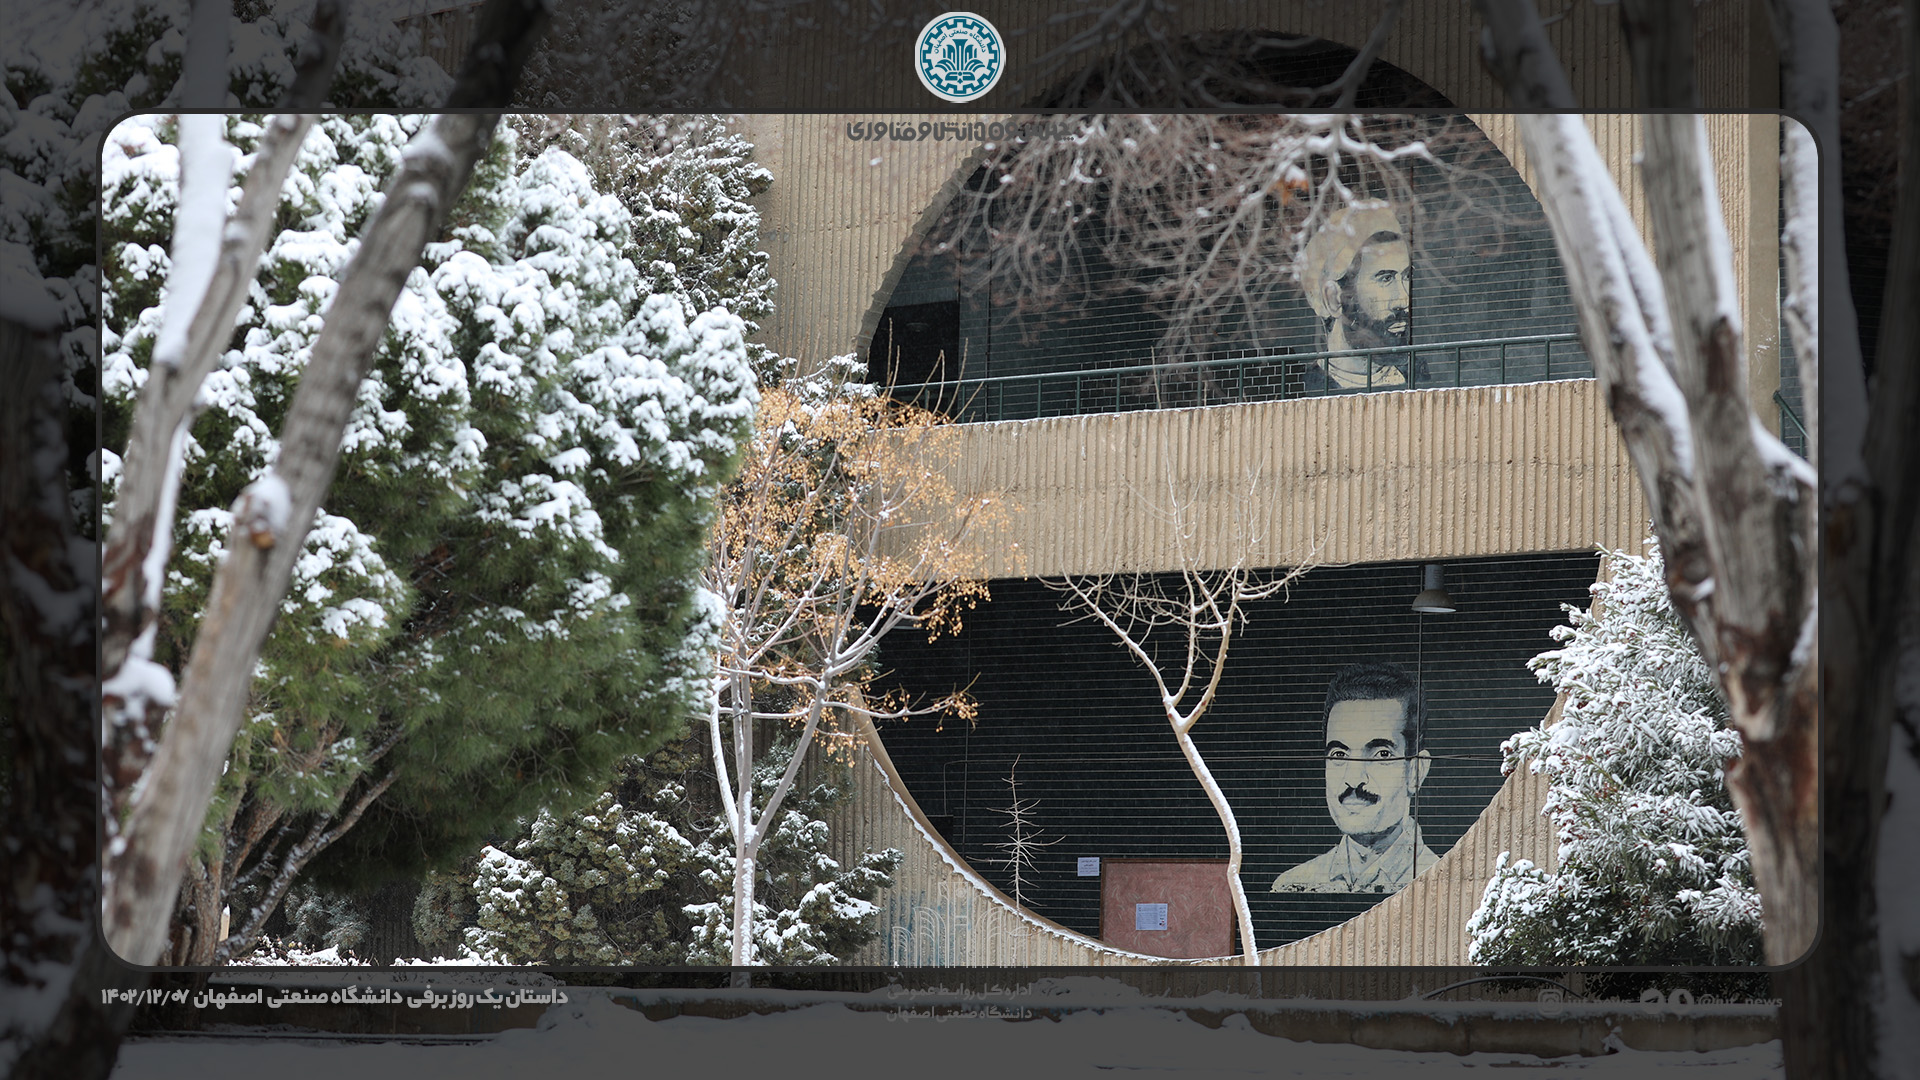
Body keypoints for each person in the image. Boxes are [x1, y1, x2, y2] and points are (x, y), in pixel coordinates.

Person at [1272, 661, 1439, 894]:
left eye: (1381, 754)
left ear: (1416, 771)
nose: (1354, 778)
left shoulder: (1442, 887)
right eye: (1339, 754)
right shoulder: (1293, 886)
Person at [1296, 202, 1423, 393]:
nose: (1403, 301)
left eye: (1406, 277)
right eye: (1386, 279)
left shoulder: (1418, 376)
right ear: (1333, 299)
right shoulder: (1309, 388)